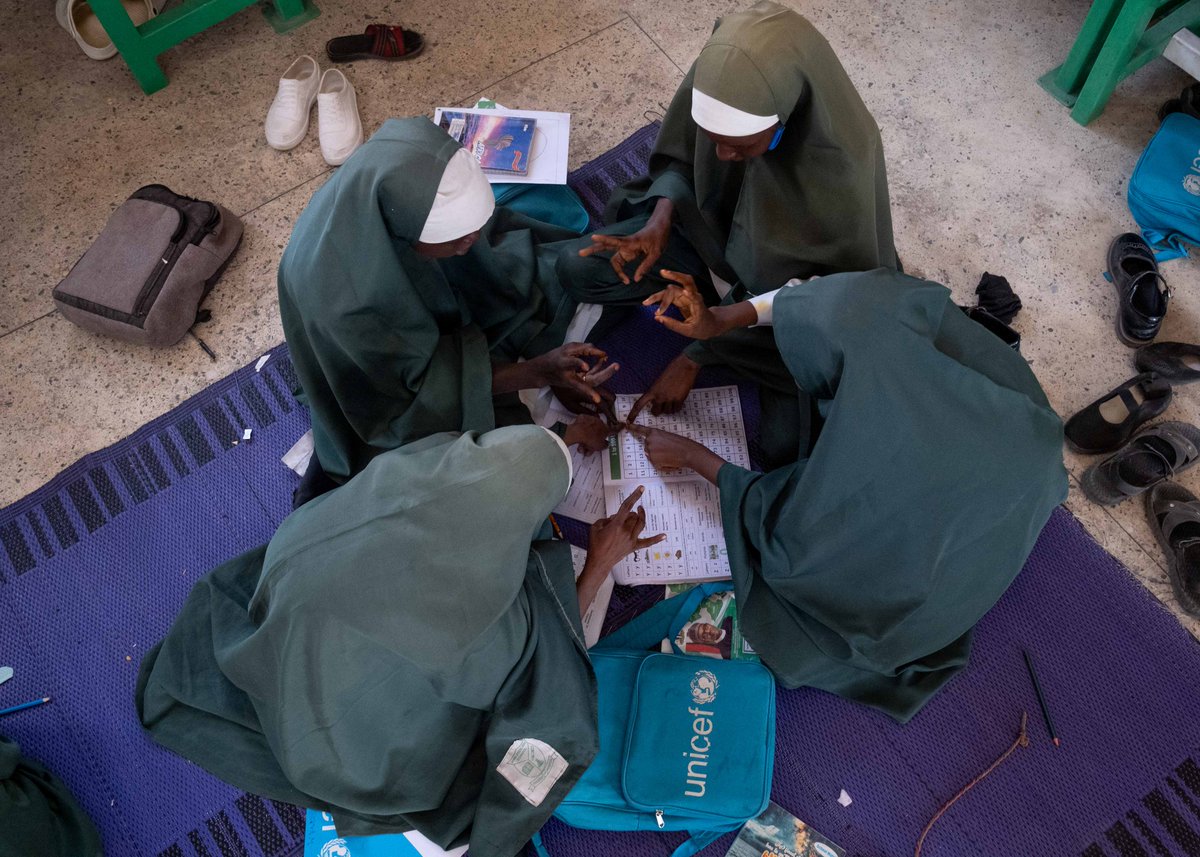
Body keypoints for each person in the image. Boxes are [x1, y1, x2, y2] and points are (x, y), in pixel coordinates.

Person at [137, 425, 665, 857]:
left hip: (282, 673)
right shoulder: (495, 633)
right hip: (361, 760)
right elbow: (550, 690)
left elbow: (495, 480)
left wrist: (557, 440)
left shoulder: (368, 492)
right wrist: (598, 564)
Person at [627, 269, 1067, 722]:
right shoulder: (910, 307)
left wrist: (695, 456)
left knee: (795, 570)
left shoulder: (882, 451)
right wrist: (715, 324)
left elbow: (794, 534)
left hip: (909, 610)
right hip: (1009, 491)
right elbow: (806, 301)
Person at [557, 1, 898, 450]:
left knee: (786, 448)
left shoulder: (842, 168)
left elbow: (822, 297)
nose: (719, 157)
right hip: (708, 246)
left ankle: (719, 342)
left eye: (740, 147)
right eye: (713, 140)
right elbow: (682, 158)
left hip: (777, 305)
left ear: (783, 124)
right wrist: (660, 219)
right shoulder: (721, 87)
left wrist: (699, 351)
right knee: (574, 267)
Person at [279, 117, 617, 489]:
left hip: (394, 287)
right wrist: (538, 371)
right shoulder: (352, 309)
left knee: (541, 280)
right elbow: (413, 398)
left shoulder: (393, 175)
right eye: (458, 239)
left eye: (473, 232)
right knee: (477, 462)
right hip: (373, 366)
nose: (471, 244)